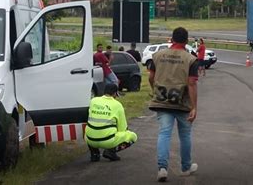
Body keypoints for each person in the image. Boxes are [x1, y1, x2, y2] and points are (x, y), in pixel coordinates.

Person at [148, 27, 199, 182]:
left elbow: (151, 77)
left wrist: (155, 90)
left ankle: (162, 168)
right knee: (185, 135)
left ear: (172, 39)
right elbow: (191, 84)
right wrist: (194, 106)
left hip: (162, 101)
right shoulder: (191, 59)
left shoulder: (157, 56)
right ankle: (185, 167)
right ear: (187, 41)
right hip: (182, 103)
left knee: (164, 133)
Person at [85, 83, 138, 162]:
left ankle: (94, 154)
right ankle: (111, 151)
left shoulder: (93, 101)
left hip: (90, 139)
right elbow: (122, 128)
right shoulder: (117, 105)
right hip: (108, 141)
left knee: (90, 128)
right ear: (115, 93)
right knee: (133, 136)